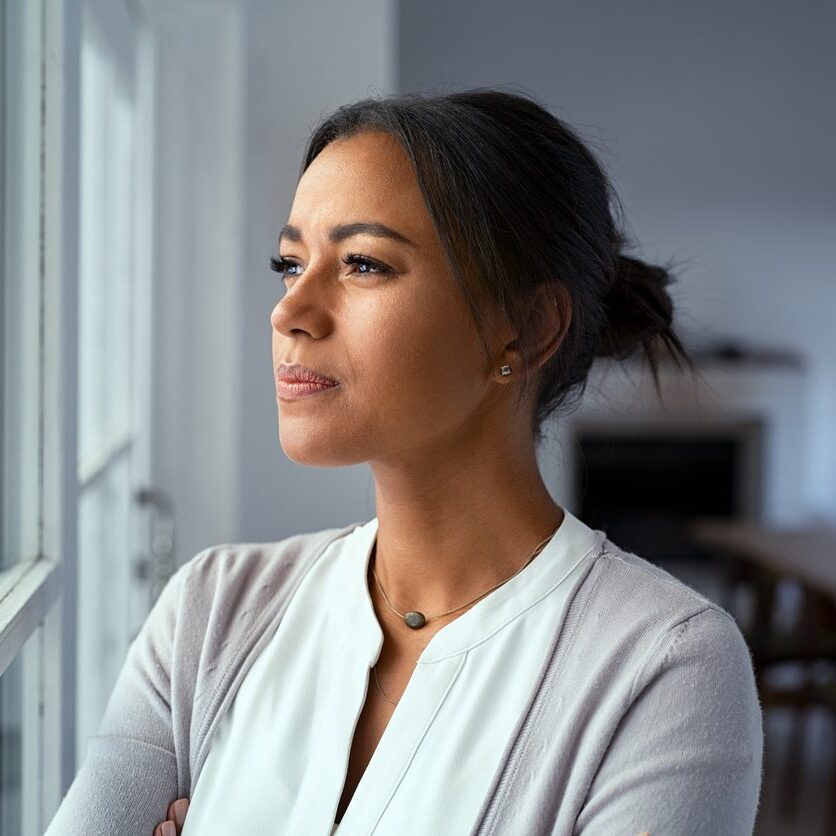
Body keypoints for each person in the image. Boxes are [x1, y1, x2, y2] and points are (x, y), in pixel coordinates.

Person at [46, 88, 763, 836]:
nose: (289, 311)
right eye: (290, 263)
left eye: (362, 264)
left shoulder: (666, 670)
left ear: (524, 330)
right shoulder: (211, 612)